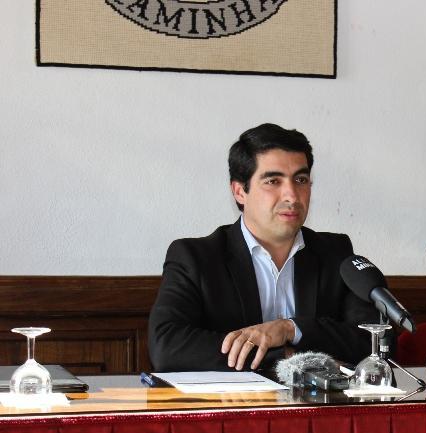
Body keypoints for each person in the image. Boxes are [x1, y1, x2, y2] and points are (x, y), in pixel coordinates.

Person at [149, 123, 377, 372]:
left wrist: (290, 329)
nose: (292, 195)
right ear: (239, 192)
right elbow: (166, 347)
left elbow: (375, 341)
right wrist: (286, 358)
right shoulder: (196, 258)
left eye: (300, 180)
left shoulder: (335, 253)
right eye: (273, 181)